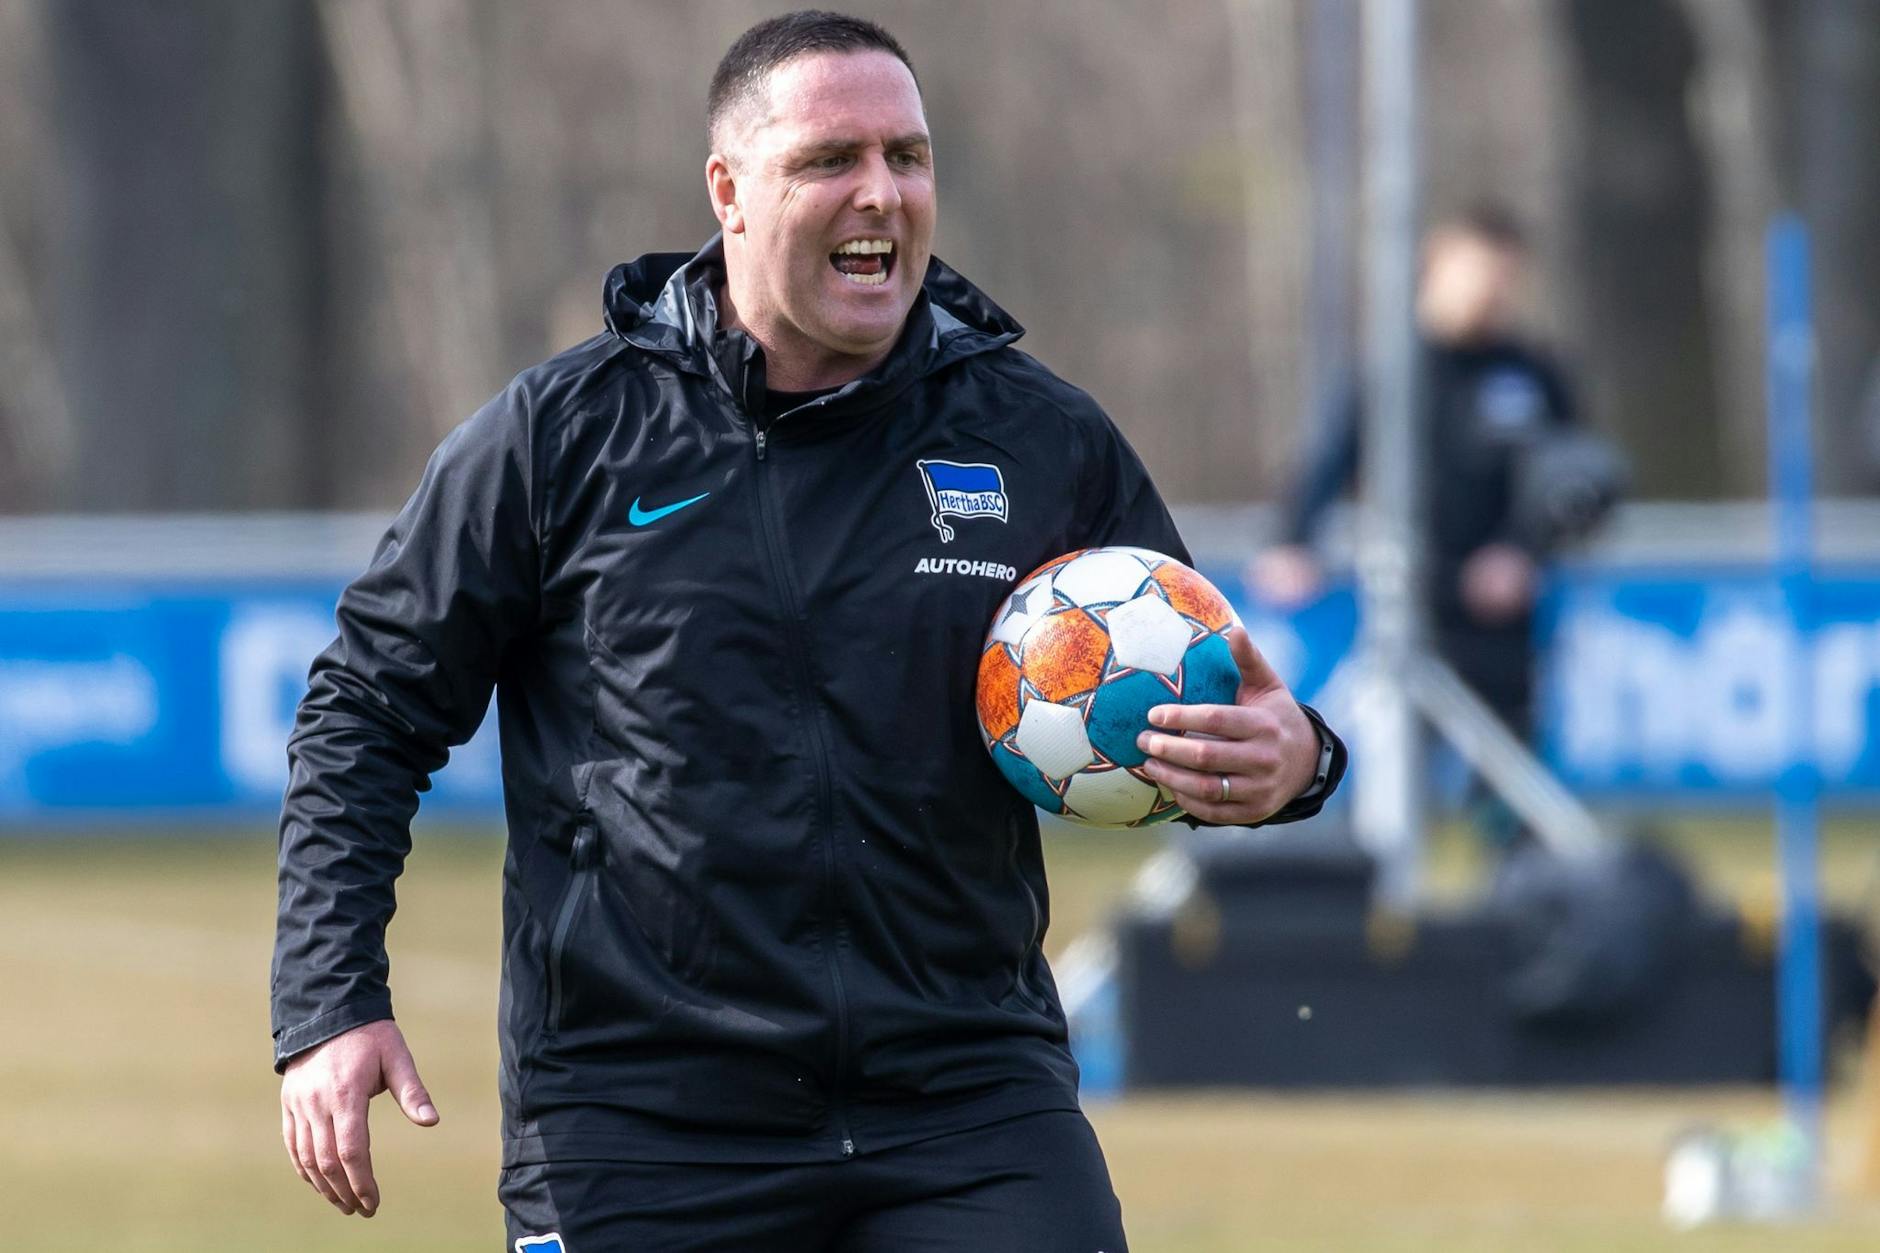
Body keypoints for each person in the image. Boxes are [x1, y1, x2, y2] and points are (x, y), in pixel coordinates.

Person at [272, 12, 1346, 1250]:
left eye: (907, 155)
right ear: (729, 191)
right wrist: (327, 999)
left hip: (966, 1097)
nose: (879, 193)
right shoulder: (559, 438)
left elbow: (1207, 706)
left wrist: (1291, 763)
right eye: (830, 159)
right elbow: (366, 708)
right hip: (641, 1118)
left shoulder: (1038, 440)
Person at [1253, 208, 1575, 794]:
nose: (1491, 293)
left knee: (1508, 768)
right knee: (1389, 766)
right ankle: (1377, 873)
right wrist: (1291, 542)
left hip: (1499, 607)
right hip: (1410, 597)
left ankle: (1517, 880)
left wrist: (1523, 554)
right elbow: (1329, 457)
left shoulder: (1533, 373)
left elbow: (1567, 481)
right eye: (1478, 274)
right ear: (1438, 270)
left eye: (1504, 278)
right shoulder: (1391, 369)